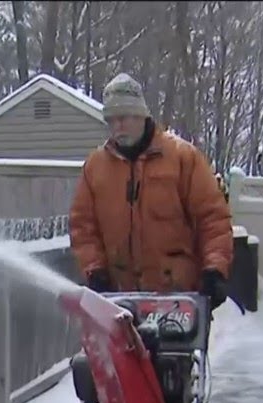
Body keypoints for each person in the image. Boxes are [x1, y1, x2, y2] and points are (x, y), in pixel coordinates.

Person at [68, 73, 234, 309]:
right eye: (111, 120)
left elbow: (213, 219)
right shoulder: (96, 168)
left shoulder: (183, 159)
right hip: (119, 301)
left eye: (123, 118)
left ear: (141, 116)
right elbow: (83, 227)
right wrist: (94, 269)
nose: (117, 126)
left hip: (179, 300)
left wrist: (215, 270)